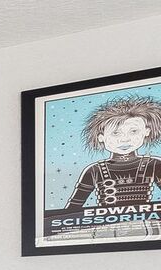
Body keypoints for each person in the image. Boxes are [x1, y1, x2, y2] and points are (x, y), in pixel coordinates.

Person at [60, 95, 161, 239]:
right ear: (101, 137)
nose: (124, 139)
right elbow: (72, 209)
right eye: (115, 133)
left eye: (133, 131)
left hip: (147, 231)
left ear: (147, 131)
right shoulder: (94, 170)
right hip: (105, 233)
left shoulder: (154, 164)